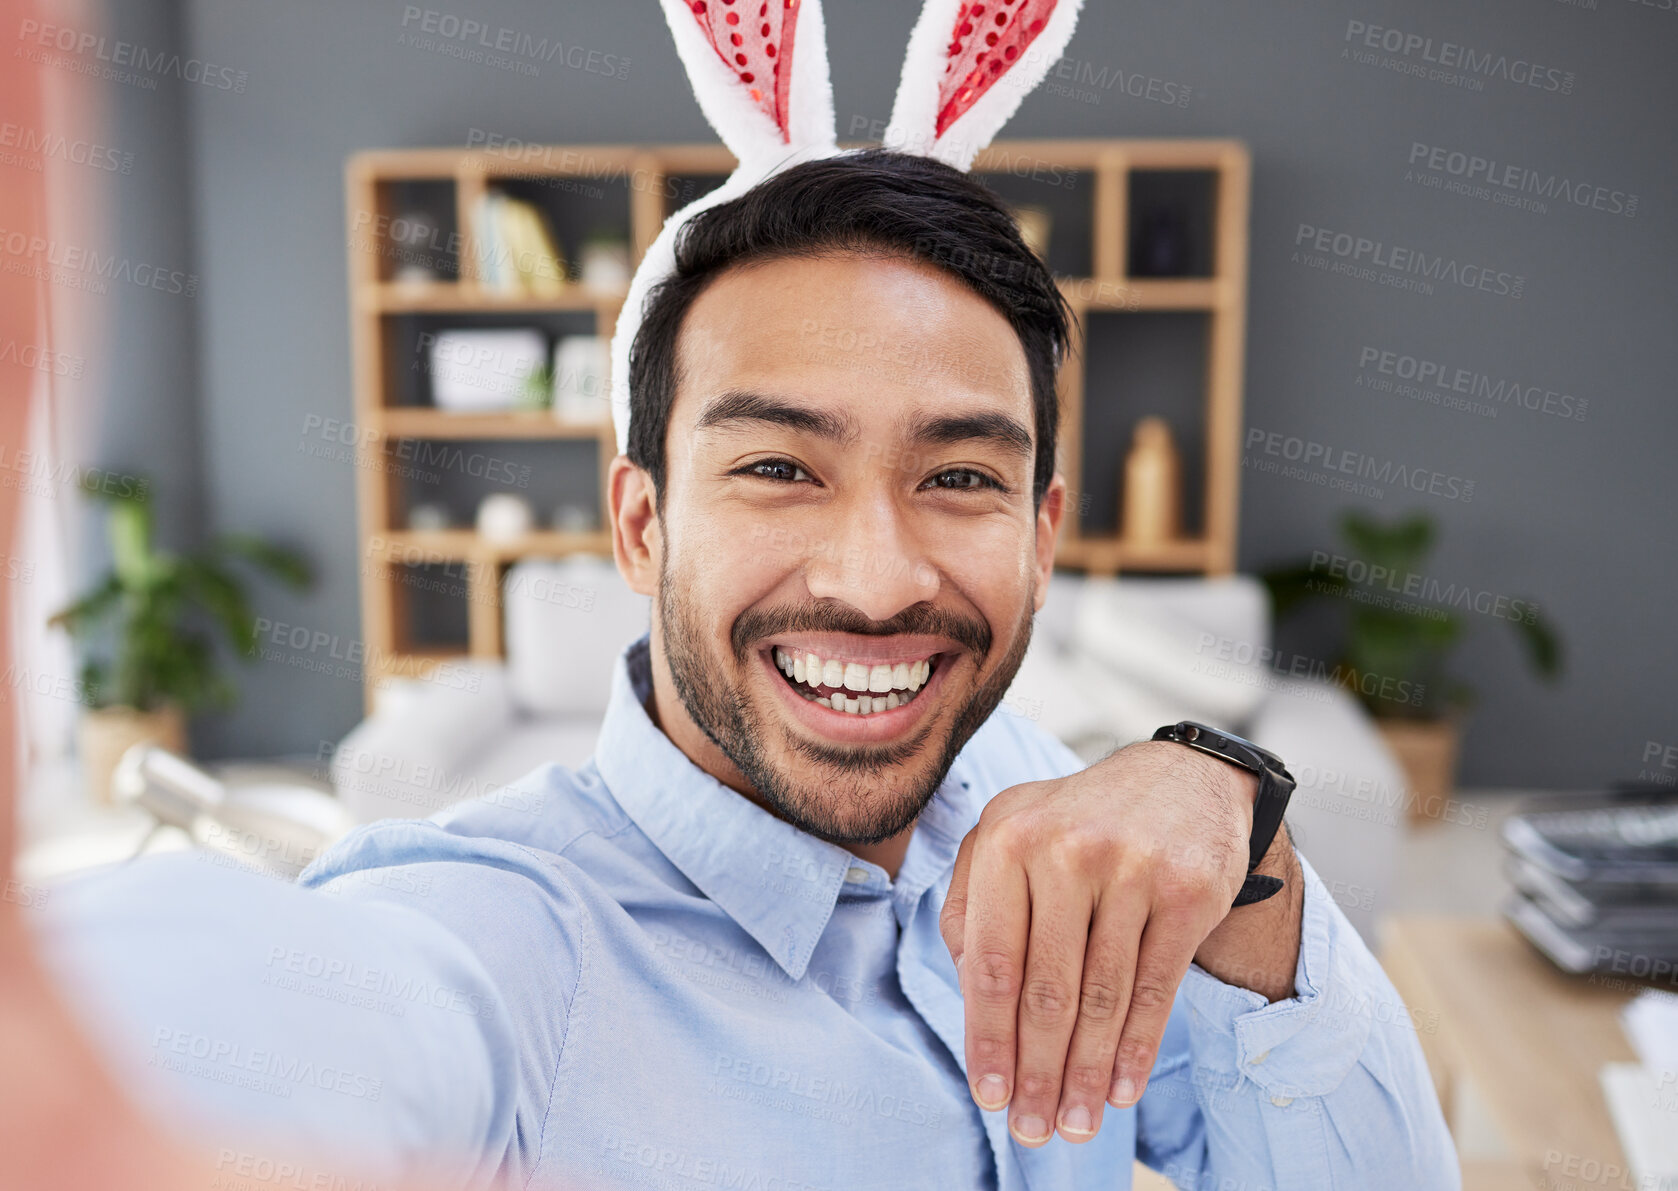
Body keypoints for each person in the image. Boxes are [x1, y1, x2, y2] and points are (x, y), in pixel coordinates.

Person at [21, 148, 1458, 1190]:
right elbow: (276, 1013)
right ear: (641, 523)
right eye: (777, 466)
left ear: (1043, 530)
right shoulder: (499, 937)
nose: (877, 578)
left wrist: (1239, 827)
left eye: (957, 474)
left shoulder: (1041, 817)